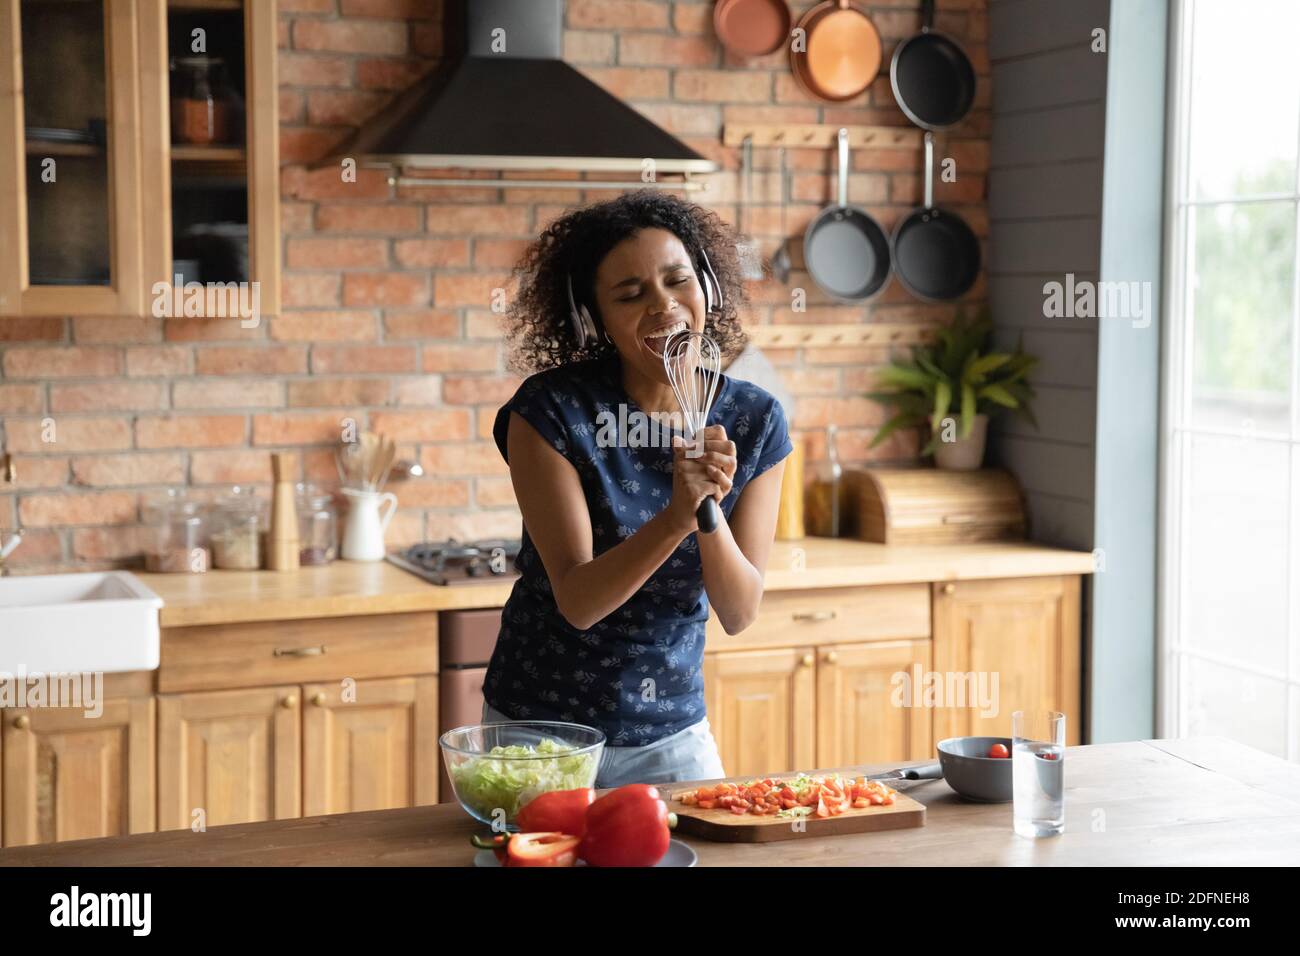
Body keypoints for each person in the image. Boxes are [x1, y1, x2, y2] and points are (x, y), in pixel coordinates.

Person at [482, 190, 793, 787]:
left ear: (707, 288)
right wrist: (676, 514)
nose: (664, 307)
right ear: (595, 318)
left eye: (679, 281)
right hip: (540, 733)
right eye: (630, 295)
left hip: (671, 734)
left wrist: (705, 509)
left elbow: (739, 610)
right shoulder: (551, 412)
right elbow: (579, 601)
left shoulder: (755, 420)